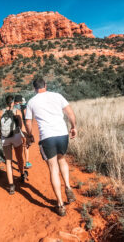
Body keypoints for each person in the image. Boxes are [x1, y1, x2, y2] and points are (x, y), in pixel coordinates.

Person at [25, 77, 76, 216]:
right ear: (45, 85)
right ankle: (68, 187)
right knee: (62, 160)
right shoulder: (57, 96)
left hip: (47, 137)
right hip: (62, 134)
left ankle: (60, 204)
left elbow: (28, 123)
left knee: (53, 168)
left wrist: (30, 135)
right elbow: (70, 113)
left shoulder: (31, 102)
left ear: (34, 88)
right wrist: (73, 127)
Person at [0, 95, 27, 195]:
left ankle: (11, 186)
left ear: (6, 102)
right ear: (13, 102)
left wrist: (1, 136)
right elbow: (21, 126)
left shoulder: (0, 112)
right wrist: (24, 137)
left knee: (8, 161)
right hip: (16, 136)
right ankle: (22, 174)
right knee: (19, 158)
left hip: (5, 138)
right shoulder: (17, 112)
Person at [14, 95, 32, 169]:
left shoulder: (13, 108)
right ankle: (27, 162)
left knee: (18, 146)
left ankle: (20, 161)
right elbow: (26, 118)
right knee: (26, 145)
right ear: (21, 101)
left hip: (15, 129)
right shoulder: (23, 107)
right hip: (23, 128)